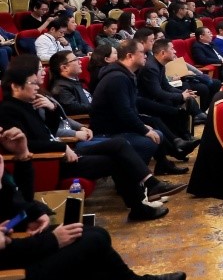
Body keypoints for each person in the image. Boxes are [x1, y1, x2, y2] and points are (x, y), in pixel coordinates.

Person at [0, 152, 187, 280]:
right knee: (93, 241)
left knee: (96, 233)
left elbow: (21, 200)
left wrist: (22, 157)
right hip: (15, 272)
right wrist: (53, 240)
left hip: (18, 245)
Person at [0, 60, 178, 220]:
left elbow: (51, 131)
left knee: (119, 144)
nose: (37, 86)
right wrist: (62, 148)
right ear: (16, 86)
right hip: (52, 161)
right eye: (32, 83)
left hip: (62, 151)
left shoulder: (29, 103)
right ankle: (140, 206)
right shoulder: (8, 111)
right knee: (115, 161)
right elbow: (26, 145)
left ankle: (150, 185)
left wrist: (52, 109)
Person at [91, 40, 197, 173]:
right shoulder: (117, 78)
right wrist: (143, 129)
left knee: (155, 125)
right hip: (109, 131)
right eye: (142, 52)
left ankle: (164, 163)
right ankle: (134, 176)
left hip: (118, 124)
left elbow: (129, 109)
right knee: (152, 136)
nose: (146, 55)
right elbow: (124, 112)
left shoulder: (125, 74)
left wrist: (142, 125)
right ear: (130, 56)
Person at [48, 50, 93, 116]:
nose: (80, 62)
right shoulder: (61, 88)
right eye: (75, 60)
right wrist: (99, 106)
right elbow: (74, 109)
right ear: (64, 68)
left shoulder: (73, 81)